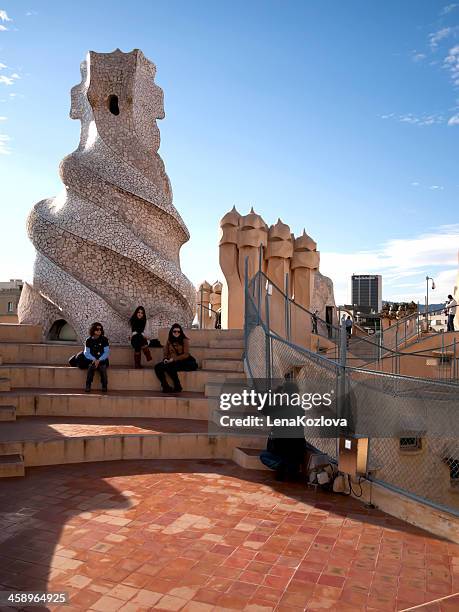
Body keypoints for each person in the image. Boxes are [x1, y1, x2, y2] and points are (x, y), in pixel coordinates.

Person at [154, 324, 198, 392]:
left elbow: (186, 354)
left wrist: (173, 359)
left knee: (170, 366)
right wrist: (165, 359)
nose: (176, 333)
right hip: (171, 361)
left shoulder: (184, 340)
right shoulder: (169, 341)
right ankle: (165, 386)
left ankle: (177, 385)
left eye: (178, 331)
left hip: (183, 361)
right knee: (157, 367)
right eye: (175, 331)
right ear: (172, 332)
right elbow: (166, 353)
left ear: (181, 332)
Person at [84, 322, 110, 393]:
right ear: (93, 330)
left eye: (100, 329)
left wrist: (99, 360)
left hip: (102, 360)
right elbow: (86, 353)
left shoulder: (104, 339)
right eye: (97, 329)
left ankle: (104, 386)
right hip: (92, 360)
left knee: (103, 368)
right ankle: (88, 385)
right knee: (90, 368)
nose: (99, 331)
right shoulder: (88, 340)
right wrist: (94, 359)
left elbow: (106, 352)